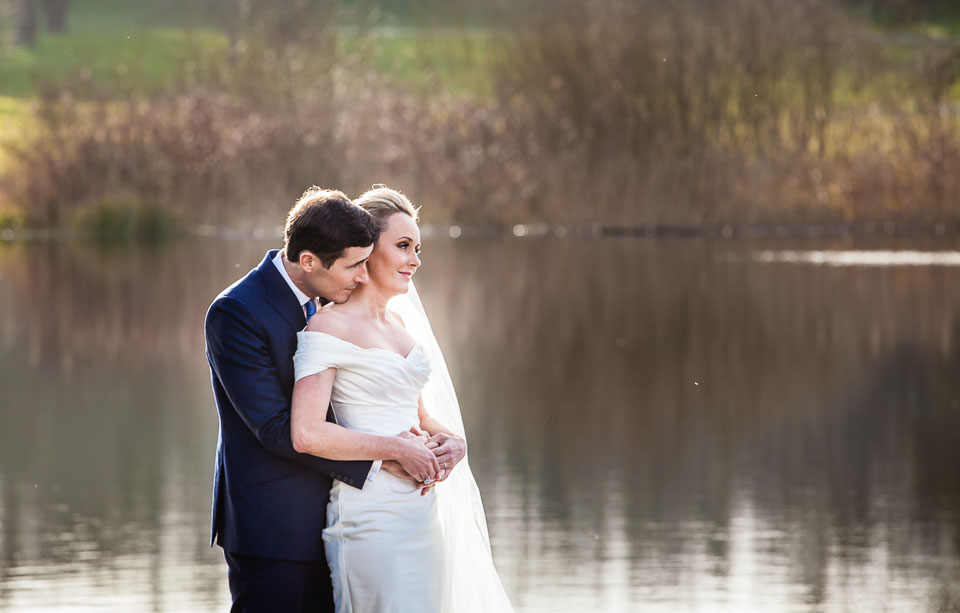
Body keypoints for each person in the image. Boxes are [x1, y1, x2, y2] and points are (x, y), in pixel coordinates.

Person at [204, 187, 440, 612]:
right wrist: (384, 457)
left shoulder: (335, 299)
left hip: (343, 511)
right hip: (275, 523)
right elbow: (276, 428)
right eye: (353, 267)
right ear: (309, 261)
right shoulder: (236, 312)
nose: (360, 275)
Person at [291, 186, 514, 612]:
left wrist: (453, 443)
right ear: (366, 250)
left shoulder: (400, 328)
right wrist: (397, 449)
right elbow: (306, 432)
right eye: (403, 246)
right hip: (371, 518)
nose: (415, 260)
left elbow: (419, 414)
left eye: (417, 248)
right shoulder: (327, 329)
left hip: (422, 517)